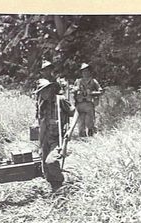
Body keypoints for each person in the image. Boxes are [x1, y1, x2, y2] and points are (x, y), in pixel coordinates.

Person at [34, 60, 79, 192]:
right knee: (45, 167)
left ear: (50, 89)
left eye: (44, 91)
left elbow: (75, 112)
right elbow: (42, 125)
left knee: (51, 162)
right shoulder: (42, 104)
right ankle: (55, 188)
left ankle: (60, 186)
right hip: (46, 138)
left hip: (58, 138)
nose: (42, 94)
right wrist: (40, 145)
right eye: (40, 92)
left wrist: (70, 131)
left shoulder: (60, 100)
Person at [72, 63, 103, 137]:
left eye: (87, 71)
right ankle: (82, 139)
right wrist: (75, 90)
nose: (85, 73)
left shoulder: (93, 81)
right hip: (79, 104)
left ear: (89, 72)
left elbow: (100, 91)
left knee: (90, 123)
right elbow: (73, 91)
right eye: (83, 71)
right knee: (81, 124)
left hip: (89, 104)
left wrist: (92, 93)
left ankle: (90, 137)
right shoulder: (78, 81)